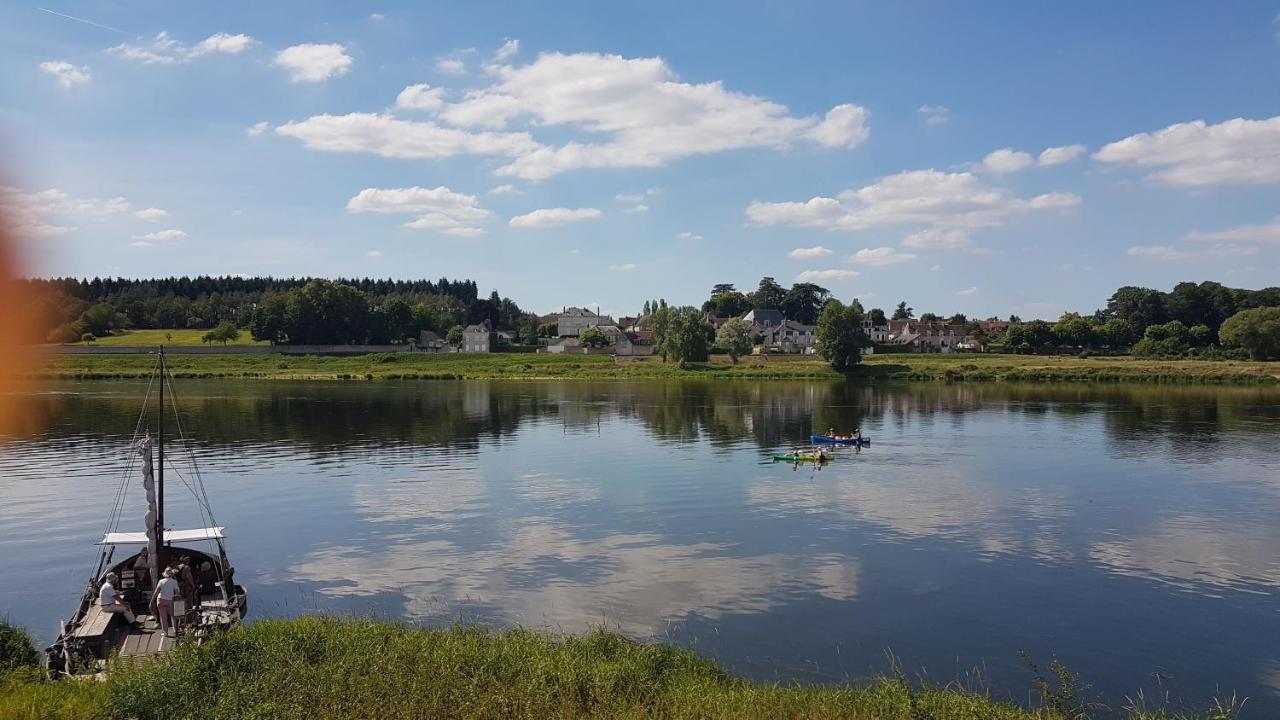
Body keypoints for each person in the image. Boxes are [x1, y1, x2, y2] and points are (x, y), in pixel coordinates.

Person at [151, 567, 180, 637]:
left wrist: (152, 600)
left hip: (160, 600)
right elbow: (177, 593)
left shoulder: (161, 581)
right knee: (173, 616)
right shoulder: (174, 582)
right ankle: (175, 630)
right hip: (170, 600)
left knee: (163, 617)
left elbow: (156, 592)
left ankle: (165, 633)